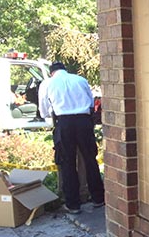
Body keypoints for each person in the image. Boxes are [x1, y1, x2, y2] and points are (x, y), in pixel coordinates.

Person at [39, 62, 104, 214]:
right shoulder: (80, 80)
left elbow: (44, 112)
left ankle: (73, 204)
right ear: (65, 70)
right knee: (90, 159)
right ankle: (98, 198)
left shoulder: (48, 83)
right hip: (83, 121)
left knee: (67, 162)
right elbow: (90, 103)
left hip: (64, 122)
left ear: (51, 73)